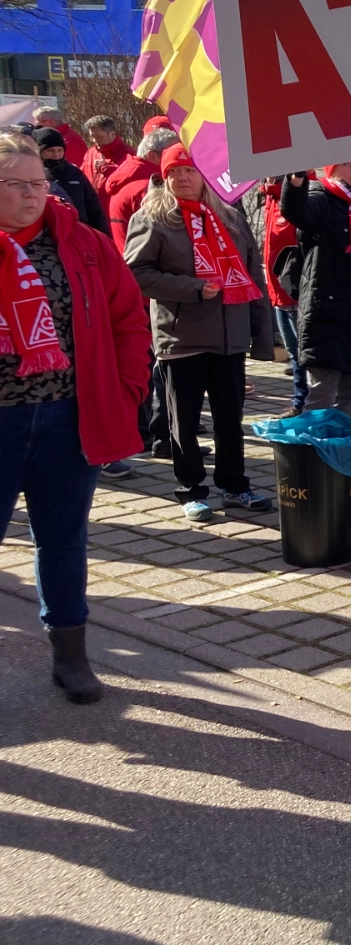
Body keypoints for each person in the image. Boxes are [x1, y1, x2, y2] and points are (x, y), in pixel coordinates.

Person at [0, 132, 150, 703]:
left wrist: (130, 386)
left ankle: (71, 656)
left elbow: (129, 317)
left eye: (39, 183)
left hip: (68, 419)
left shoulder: (82, 243)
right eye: (17, 185)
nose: (34, 195)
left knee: (63, 541)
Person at [124, 145, 274, 522]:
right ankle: (190, 489)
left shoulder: (230, 217)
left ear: (204, 174)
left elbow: (253, 275)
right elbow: (135, 273)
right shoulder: (154, 219)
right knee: (184, 422)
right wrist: (190, 287)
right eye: (173, 172)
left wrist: (260, 335)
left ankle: (235, 485)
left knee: (229, 419)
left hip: (229, 335)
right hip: (182, 338)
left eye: (189, 170)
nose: (182, 178)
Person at [282, 161, 351, 415]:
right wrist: (296, 179)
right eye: (346, 165)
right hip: (327, 317)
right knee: (322, 396)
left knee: (349, 398)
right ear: (330, 171)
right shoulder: (321, 197)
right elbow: (297, 212)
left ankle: (339, 452)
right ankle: (314, 452)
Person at [239, 177, 306, 416]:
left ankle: (308, 404)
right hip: (277, 291)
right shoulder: (269, 196)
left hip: (295, 290)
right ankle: (301, 402)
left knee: (303, 353)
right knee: (294, 353)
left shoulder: (298, 195)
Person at [106, 127, 180, 246]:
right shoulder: (147, 189)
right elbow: (169, 234)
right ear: (152, 156)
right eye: (171, 153)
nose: (177, 158)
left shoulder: (128, 178)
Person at [32, 127, 108, 236]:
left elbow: (94, 208)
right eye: (51, 151)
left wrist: (104, 237)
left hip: (79, 233)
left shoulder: (75, 173)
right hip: (47, 235)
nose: (56, 155)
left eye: (60, 150)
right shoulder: (33, 175)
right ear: (40, 152)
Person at [79, 114, 132, 196]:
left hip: (113, 205)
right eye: (92, 137)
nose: (95, 140)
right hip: (93, 205)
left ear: (112, 134)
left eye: (99, 136)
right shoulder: (91, 153)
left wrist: (109, 170)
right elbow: (82, 176)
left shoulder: (129, 155)